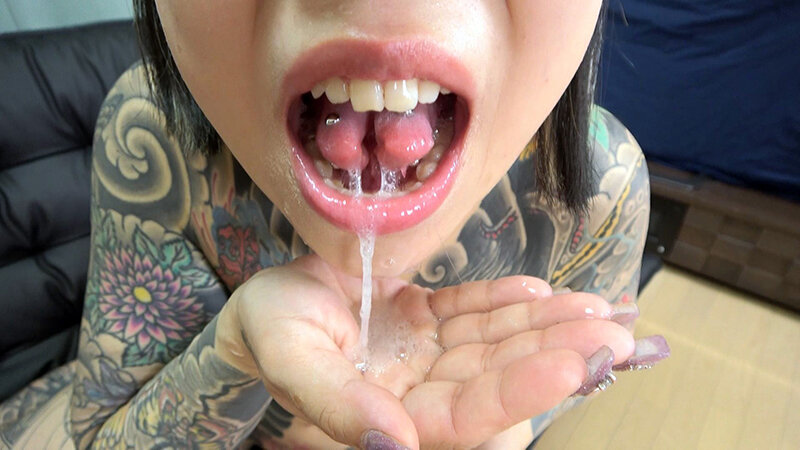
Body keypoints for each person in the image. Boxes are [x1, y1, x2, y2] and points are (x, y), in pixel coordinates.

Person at [0, 1, 669, 448]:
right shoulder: (152, 141)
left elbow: (552, 397)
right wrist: (234, 349)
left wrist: (505, 428)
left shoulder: (602, 188)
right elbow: (102, 433)